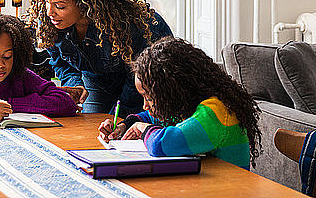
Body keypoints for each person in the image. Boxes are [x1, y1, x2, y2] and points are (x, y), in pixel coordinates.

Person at [28, 0, 173, 118]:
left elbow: (137, 80)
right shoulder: (51, 23)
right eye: (47, 2)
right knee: (93, 128)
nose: (49, 12)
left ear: (85, 4)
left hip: (147, 85)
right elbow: (60, 62)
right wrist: (75, 85)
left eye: (60, 6)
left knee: (126, 129)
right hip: (97, 81)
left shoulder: (133, 24)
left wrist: (116, 116)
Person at [97, 37, 262, 169]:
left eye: (149, 97)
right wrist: (125, 125)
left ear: (173, 90)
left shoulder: (215, 112)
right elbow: (151, 117)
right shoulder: (187, 106)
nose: (145, 105)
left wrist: (142, 128)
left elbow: (164, 144)